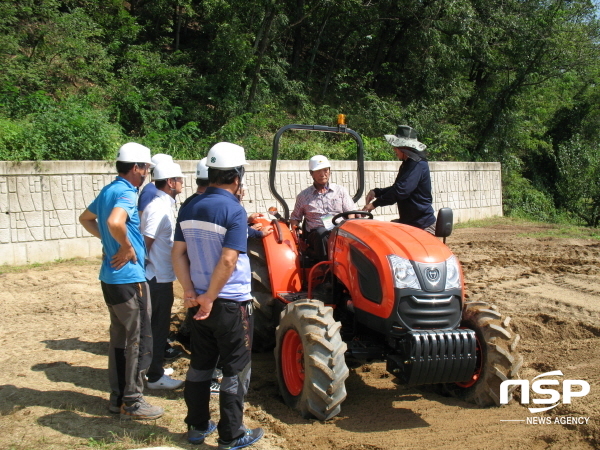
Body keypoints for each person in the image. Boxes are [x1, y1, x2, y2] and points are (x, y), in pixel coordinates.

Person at [172, 142, 264, 448]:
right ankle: (231, 434)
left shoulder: (189, 206)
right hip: (230, 304)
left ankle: (197, 427)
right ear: (237, 175)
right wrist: (211, 296)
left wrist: (190, 292)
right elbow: (228, 260)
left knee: (200, 365)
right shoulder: (233, 210)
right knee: (235, 369)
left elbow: (178, 253)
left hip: (198, 302)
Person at [78, 142, 163, 420]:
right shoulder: (125, 192)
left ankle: (117, 399)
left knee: (119, 339)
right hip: (129, 279)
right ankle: (133, 402)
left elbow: (86, 218)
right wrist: (124, 246)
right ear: (136, 167)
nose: (147, 174)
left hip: (110, 279)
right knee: (139, 339)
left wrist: (109, 240)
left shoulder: (108, 190)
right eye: (146, 169)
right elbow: (116, 222)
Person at [140, 161, 186, 390]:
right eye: (179, 180)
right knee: (156, 328)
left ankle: (153, 367)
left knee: (158, 326)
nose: (182, 183)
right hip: (156, 277)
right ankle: (155, 376)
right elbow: (144, 244)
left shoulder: (164, 204)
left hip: (161, 276)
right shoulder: (158, 208)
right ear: (170, 182)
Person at [362, 125, 436, 234]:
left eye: (396, 147)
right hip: (410, 223)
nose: (394, 149)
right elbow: (397, 188)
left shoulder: (417, 164)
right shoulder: (407, 164)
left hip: (422, 225)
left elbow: (401, 191)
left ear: (404, 148)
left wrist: (374, 204)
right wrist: (376, 192)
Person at [290, 155, 356, 260]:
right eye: (318, 171)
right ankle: (325, 267)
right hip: (316, 234)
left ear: (330, 171)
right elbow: (295, 218)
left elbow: (351, 213)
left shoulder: (340, 191)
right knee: (321, 233)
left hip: (339, 230)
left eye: (325, 170)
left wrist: (351, 227)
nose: (322, 174)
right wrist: (295, 230)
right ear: (311, 173)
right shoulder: (303, 196)